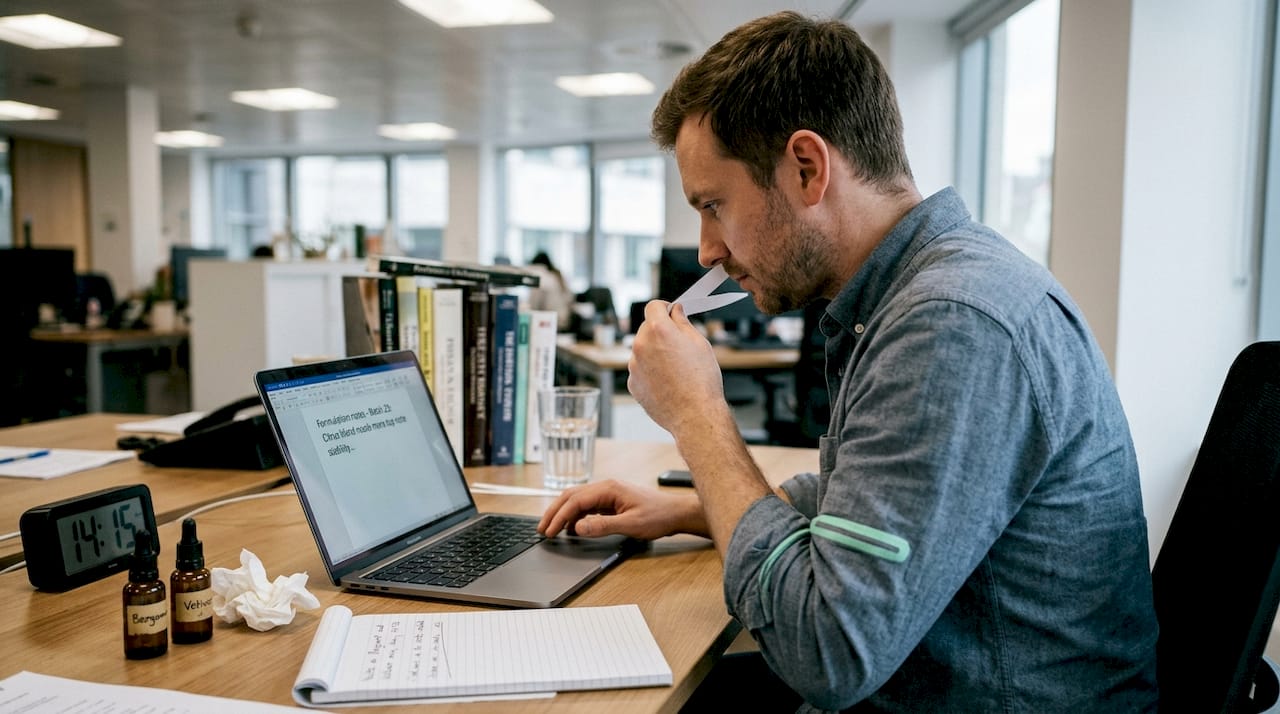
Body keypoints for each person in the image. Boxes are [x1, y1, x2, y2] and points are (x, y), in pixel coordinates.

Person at [538, 11, 1159, 712]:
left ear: (807, 167)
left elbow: (827, 652)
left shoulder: (951, 323)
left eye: (714, 205)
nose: (707, 248)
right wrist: (690, 508)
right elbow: (868, 505)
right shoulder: (918, 291)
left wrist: (698, 416)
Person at [526, 251, 573, 331]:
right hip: (564, 321)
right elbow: (570, 299)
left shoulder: (541, 278)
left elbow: (533, 306)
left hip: (552, 323)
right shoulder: (556, 275)